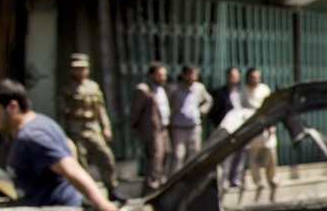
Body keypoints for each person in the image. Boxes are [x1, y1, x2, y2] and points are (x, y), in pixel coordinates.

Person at [0, 78, 117, 211]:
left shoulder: (32, 136)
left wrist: (103, 205)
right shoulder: (42, 122)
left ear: (13, 107)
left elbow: (70, 168)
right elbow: (69, 145)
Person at [58, 53, 125, 202]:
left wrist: (106, 128)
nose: (80, 71)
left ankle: (112, 188)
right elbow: (61, 113)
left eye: (82, 68)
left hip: (92, 127)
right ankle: (86, 196)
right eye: (76, 69)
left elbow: (100, 110)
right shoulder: (67, 89)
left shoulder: (93, 87)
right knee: (81, 162)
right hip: (75, 128)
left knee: (106, 157)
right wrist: (63, 134)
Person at [130, 61, 171, 191]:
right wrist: (139, 128)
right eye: (159, 75)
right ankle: (151, 189)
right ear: (152, 75)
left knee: (166, 156)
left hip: (164, 129)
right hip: (152, 131)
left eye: (164, 75)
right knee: (155, 159)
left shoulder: (162, 90)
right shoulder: (144, 90)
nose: (163, 78)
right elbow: (135, 111)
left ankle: (160, 183)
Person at [167, 64, 213, 175]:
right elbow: (168, 104)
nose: (193, 78)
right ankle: (175, 181)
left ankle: (192, 180)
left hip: (194, 127)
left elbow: (209, 100)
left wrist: (201, 111)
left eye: (195, 75)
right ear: (184, 75)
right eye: (191, 75)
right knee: (178, 155)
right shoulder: (175, 89)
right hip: (178, 128)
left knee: (194, 155)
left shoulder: (199, 88)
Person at [209, 66, 247, 189]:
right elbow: (214, 113)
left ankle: (235, 179)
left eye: (236, 76)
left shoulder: (241, 92)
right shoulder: (219, 93)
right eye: (231, 76)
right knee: (226, 155)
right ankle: (224, 181)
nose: (233, 79)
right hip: (226, 129)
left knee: (240, 154)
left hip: (240, 128)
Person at [242, 67, 277, 189]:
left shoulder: (264, 89)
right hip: (250, 126)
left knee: (270, 152)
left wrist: (271, 124)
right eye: (252, 78)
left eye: (257, 78)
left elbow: (271, 107)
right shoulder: (242, 91)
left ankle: (272, 178)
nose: (255, 80)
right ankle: (258, 181)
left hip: (265, 125)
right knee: (252, 156)